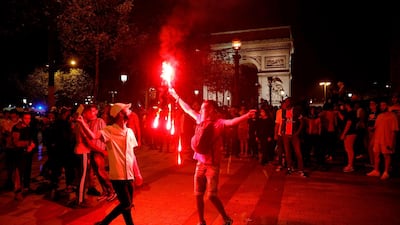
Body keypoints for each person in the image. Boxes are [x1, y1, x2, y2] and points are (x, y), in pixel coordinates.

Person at [169, 88, 256, 225]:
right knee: (198, 194)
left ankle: (225, 217)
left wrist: (246, 116)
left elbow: (231, 122)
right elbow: (187, 109)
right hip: (200, 164)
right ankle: (201, 221)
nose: (201, 110)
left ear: (210, 110)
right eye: (202, 108)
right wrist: (175, 95)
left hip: (212, 166)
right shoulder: (199, 119)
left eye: (203, 108)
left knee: (211, 195)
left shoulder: (218, 123)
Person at [76, 103, 143, 225]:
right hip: (118, 175)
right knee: (127, 204)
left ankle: (103, 223)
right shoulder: (110, 130)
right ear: (119, 115)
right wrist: (82, 123)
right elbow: (93, 136)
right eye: (126, 110)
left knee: (126, 204)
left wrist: (137, 173)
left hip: (130, 175)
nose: (129, 112)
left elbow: (132, 154)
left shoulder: (130, 132)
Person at [82, 104, 116, 201]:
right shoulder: (88, 123)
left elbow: (105, 136)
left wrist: (104, 150)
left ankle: (112, 190)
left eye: (92, 111)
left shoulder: (100, 121)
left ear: (96, 111)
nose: (89, 113)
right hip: (92, 151)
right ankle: (105, 191)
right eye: (88, 111)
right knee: (97, 173)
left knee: (102, 173)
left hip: (98, 151)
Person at [366, 98, 399, 180]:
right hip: (378, 138)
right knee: (376, 154)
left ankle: (386, 172)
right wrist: (372, 129)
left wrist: (392, 142)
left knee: (386, 155)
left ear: (387, 106)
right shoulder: (380, 116)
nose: (382, 106)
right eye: (381, 105)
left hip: (386, 139)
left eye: (383, 105)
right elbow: (376, 127)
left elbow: (394, 130)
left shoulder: (392, 116)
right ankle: (376, 170)